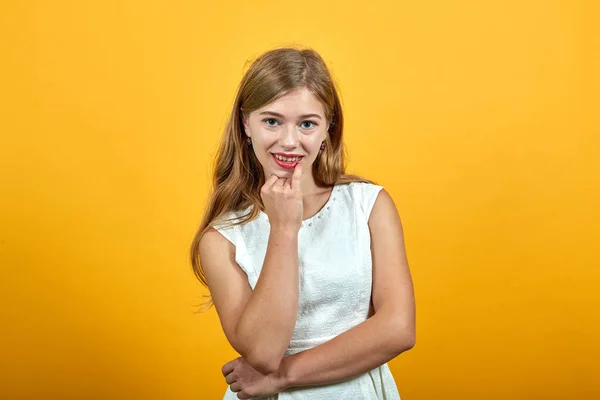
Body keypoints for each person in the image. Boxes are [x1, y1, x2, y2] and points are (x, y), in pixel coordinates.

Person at [190, 46, 416, 399]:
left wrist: (282, 377)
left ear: (328, 129)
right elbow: (264, 352)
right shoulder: (222, 238)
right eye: (272, 121)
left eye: (307, 124)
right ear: (245, 124)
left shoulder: (368, 206)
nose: (289, 141)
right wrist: (284, 227)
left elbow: (399, 329)